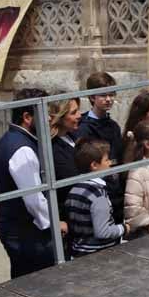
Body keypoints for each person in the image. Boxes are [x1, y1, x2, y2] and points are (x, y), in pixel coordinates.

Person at [0, 88, 60, 278]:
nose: (49, 119)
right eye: (44, 113)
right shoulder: (23, 149)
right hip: (25, 232)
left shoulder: (13, 139)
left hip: (20, 229)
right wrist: (54, 224)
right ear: (27, 117)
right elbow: (34, 200)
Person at [65, 139, 127, 258]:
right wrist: (124, 228)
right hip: (99, 254)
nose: (110, 163)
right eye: (106, 160)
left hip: (79, 252)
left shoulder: (74, 189)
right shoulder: (97, 195)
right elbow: (103, 232)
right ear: (94, 165)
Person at [77, 72, 124, 220]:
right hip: (97, 189)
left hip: (115, 186)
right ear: (92, 97)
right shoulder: (84, 127)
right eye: (103, 95)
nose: (108, 99)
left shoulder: (113, 126)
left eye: (111, 94)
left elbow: (118, 155)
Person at [48, 96, 82, 231]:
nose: (79, 115)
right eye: (73, 113)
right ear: (60, 117)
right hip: (69, 215)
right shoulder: (53, 148)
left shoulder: (73, 137)